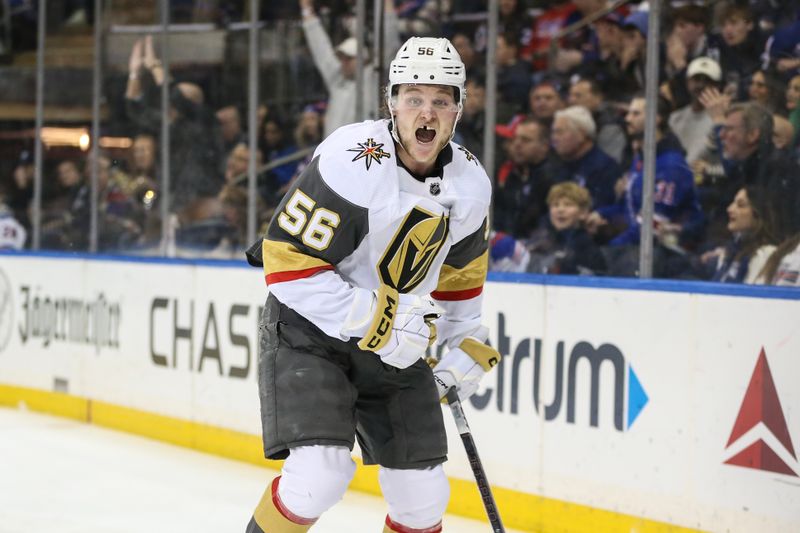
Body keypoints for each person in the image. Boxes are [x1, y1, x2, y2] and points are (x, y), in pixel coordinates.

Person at [244, 37, 501, 533]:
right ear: (391, 103)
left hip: (396, 343)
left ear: (459, 109)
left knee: (423, 499)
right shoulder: (351, 158)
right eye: (413, 99)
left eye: (441, 101)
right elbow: (286, 264)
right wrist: (378, 318)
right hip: (311, 333)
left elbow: (460, 278)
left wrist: (462, 339)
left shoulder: (470, 185)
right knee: (319, 475)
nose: (426, 113)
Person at [298, 0, 400, 138]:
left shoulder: (373, 76)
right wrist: (306, 8)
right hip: (333, 152)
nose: (343, 62)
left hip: (362, 153)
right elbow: (320, 46)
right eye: (342, 58)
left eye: (349, 58)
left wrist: (387, 4)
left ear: (363, 60)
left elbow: (389, 42)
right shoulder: (337, 77)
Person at [526, 182, 607, 275]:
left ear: (583, 213)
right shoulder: (543, 240)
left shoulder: (585, 245)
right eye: (555, 205)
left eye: (568, 205)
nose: (560, 210)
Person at [701, 186, 778, 283]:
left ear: (758, 214)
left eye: (740, 205)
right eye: (733, 203)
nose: (729, 209)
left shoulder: (766, 254)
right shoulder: (730, 252)